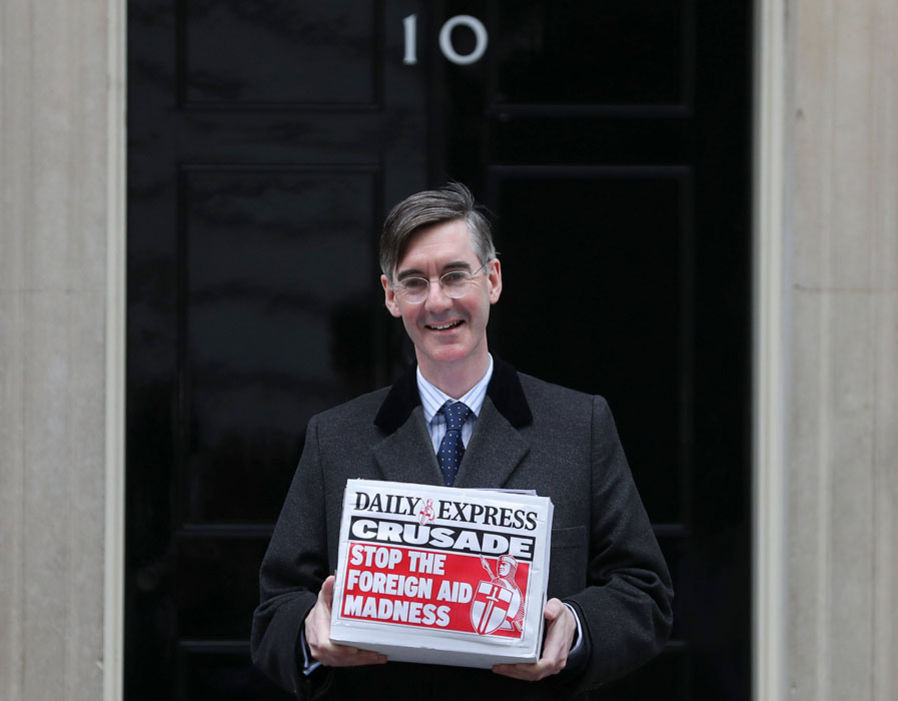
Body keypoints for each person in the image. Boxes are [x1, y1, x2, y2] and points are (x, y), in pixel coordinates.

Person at [251, 182, 673, 700]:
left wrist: (577, 626)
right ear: (390, 296)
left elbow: (644, 594)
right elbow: (275, 609)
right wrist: (309, 632)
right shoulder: (334, 437)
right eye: (414, 283)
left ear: (492, 280)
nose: (438, 302)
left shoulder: (579, 425)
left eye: (455, 275)